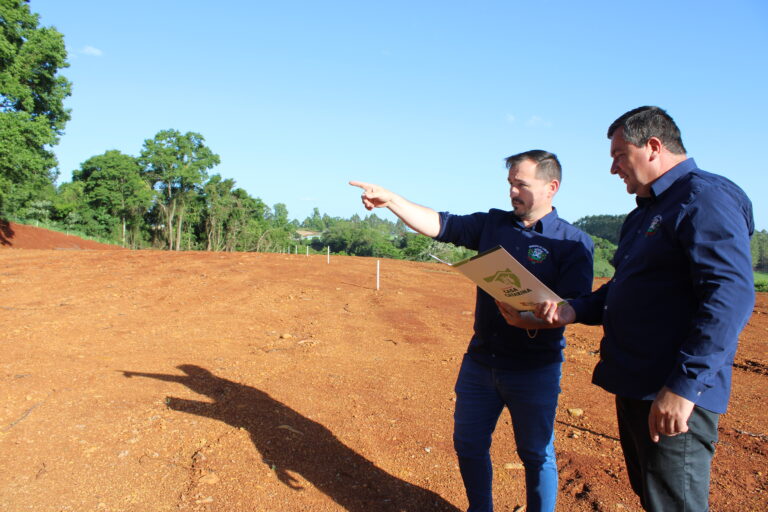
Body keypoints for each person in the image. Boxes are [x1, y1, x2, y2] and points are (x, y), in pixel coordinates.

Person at [534, 106, 755, 511]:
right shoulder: (647, 212)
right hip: (639, 387)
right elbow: (625, 288)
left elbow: (730, 294)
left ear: (653, 146)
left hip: (672, 392)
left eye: (619, 155)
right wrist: (571, 310)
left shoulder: (704, 197)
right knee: (655, 498)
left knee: (675, 503)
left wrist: (685, 386)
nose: (614, 168)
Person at [350, 149, 594, 512]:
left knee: (536, 454)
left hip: (535, 370)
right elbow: (439, 224)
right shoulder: (493, 225)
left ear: (551, 187)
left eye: (521, 184)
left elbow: (574, 306)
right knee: (468, 444)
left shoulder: (573, 242)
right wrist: (393, 201)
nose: (512, 191)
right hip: (481, 363)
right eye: (510, 183)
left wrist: (535, 319)